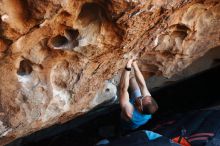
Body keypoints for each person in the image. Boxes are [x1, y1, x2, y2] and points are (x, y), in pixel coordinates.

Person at [119, 57, 158, 131]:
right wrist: (134, 64)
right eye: (144, 96)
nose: (141, 96)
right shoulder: (146, 100)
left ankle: (120, 131)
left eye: (141, 98)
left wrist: (127, 68)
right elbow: (142, 84)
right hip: (141, 110)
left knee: (123, 127)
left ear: (140, 108)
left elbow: (122, 89)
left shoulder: (129, 112)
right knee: (133, 80)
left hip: (129, 123)